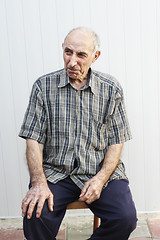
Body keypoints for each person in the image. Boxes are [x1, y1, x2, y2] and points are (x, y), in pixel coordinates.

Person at [19, 27, 137, 240]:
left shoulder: (111, 89)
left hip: (99, 171)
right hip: (56, 173)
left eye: (81, 55)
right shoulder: (42, 87)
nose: (72, 62)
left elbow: (116, 141)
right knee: (35, 217)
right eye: (68, 52)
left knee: (125, 218)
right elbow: (33, 139)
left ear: (95, 56)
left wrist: (100, 179)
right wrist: (38, 183)